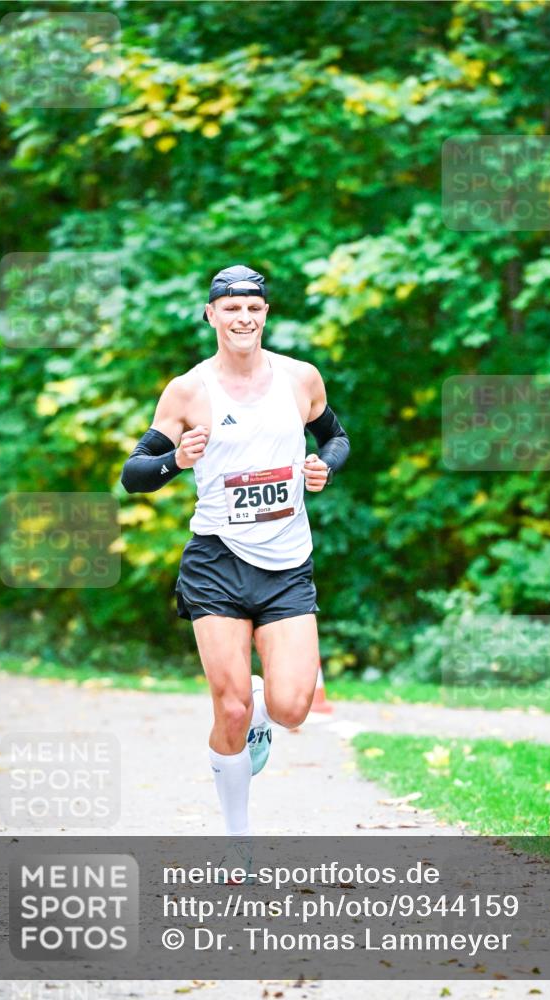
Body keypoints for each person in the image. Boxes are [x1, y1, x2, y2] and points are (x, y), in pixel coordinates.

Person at [120, 264, 350, 856]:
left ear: (265, 314)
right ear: (211, 315)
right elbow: (133, 475)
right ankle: (237, 839)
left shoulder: (300, 379)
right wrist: (178, 460)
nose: (243, 318)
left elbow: (337, 437)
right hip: (216, 562)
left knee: (292, 707)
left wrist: (327, 466)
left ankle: (261, 707)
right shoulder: (189, 390)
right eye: (231, 309)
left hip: (286, 565)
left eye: (253, 308)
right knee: (229, 706)